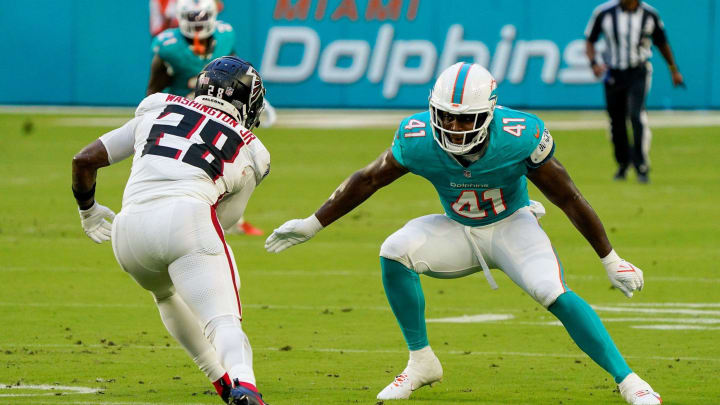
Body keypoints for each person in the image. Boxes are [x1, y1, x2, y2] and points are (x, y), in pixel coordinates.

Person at [265, 62, 661, 405]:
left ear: (489, 114)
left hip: (512, 226)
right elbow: (368, 180)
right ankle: (421, 362)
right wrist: (312, 223)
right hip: (458, 229)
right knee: (394, 250)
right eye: (445, 116)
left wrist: (610, 259)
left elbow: (569, 197)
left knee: (550, 290)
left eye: (465, 119)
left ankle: (630, 382)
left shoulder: (519, 136)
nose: (453, 127)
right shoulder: (418, 139)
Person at [72, 56, 271, 405]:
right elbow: (224, 221)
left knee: (165, 296)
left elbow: (83, 160)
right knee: (222, 317)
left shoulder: (157, 105)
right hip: (186, 218)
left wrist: (88, 212)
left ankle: (221, 382)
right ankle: (246, 384)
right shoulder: (253, 149)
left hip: (127, 230)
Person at [147, 0, 276, 235]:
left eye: (202, 19)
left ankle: (231, 220)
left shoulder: (225, 36)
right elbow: (153, 91)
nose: (198, 26)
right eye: (192, 19)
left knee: (226, 167)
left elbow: (239, 71)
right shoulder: (168, 47)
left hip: (218, 116)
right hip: (181, 116)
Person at [585, 0, 684, 183]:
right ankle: (623, 164)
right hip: (613, 72)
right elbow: (590, 41)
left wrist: (673, 69)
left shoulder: (650, 14)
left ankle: (641, 166)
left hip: (638, 71)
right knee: (616, 121)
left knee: (636, 116)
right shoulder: (604, 12)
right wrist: (594, 64)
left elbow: (662, 42)